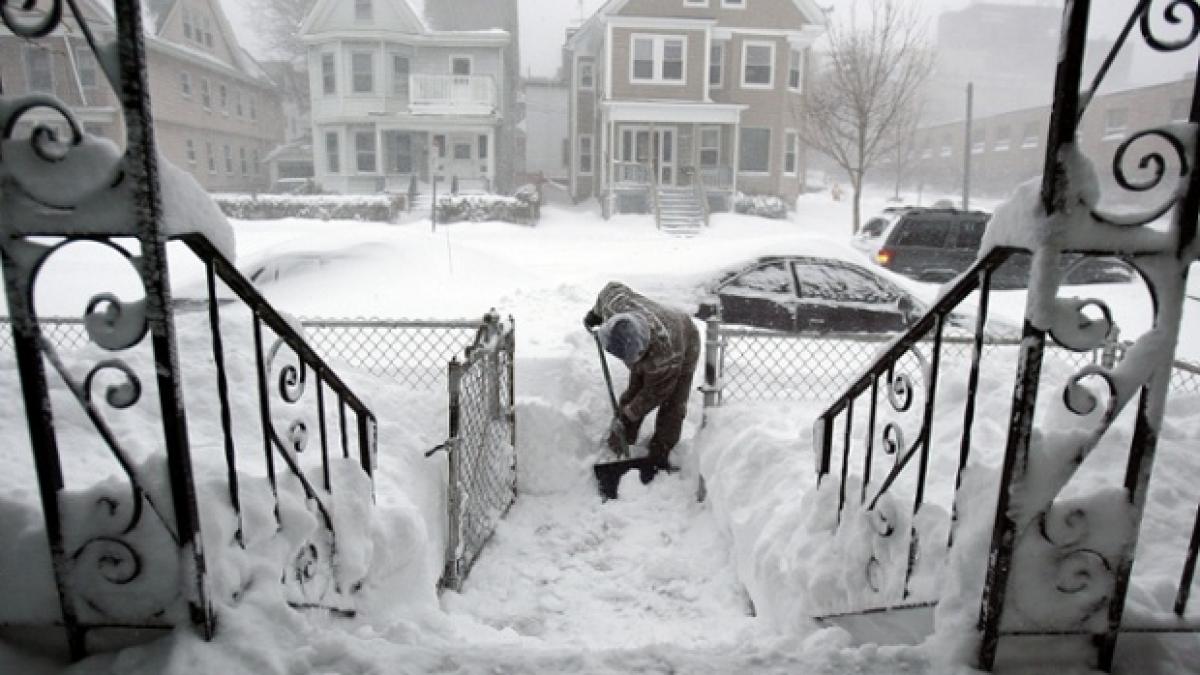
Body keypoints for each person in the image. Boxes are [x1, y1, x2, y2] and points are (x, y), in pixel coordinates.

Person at [583, 282, 700, 470]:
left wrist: (627, 415)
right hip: (654, 329)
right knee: (633, 392)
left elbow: (654, 395)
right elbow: (611, 288)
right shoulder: (616, 305)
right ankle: (619, 444)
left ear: (642, 352)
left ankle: (660, 453)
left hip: (685, 339)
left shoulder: (665, 356)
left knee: (673, 404)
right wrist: (595, 313)